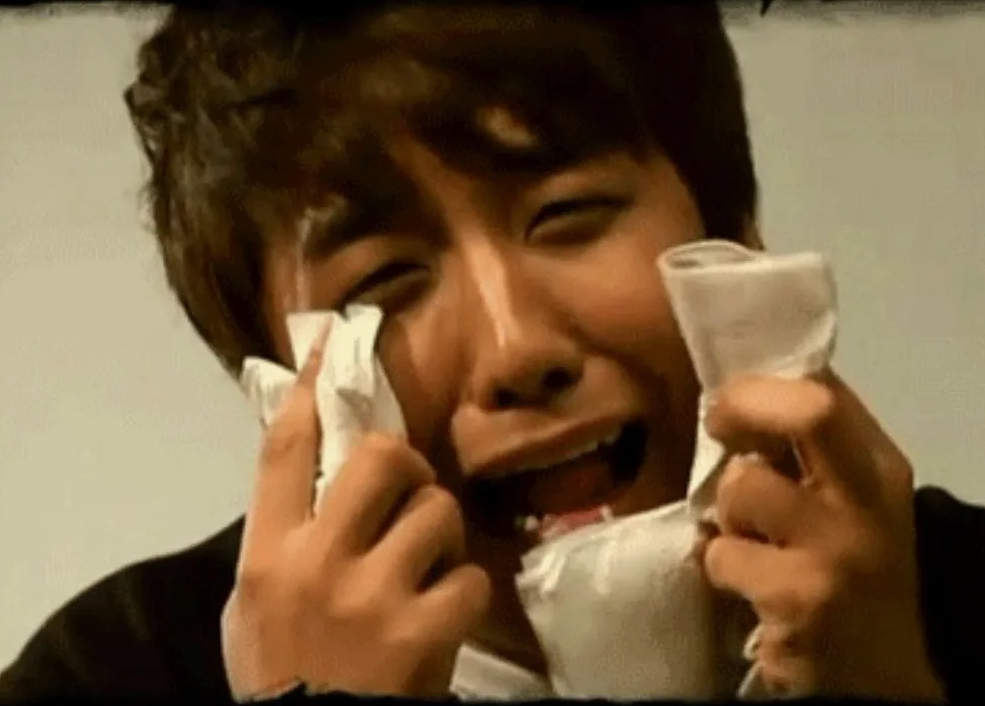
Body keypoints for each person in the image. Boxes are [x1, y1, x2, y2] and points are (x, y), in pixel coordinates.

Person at [2, 1, 984, 702]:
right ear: (281, 393)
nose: (518, 350)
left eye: (568, 214)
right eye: (385, 281)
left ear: (736, 241)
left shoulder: (955, 590)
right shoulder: (110, 674)